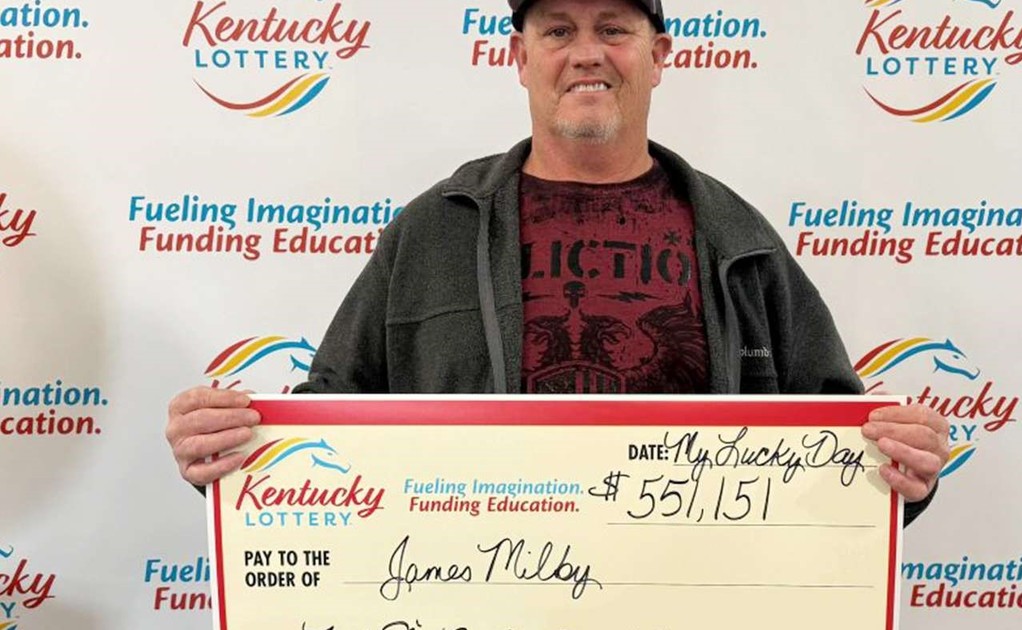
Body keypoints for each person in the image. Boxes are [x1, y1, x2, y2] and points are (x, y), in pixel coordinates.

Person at [166, 0, 949, 525]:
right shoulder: (431, 233)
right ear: (519, 55)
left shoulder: (740, 241)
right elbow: (329, 426)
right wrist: (233, 453)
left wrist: (903, 473)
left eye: (613, 28)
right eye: (558, 31)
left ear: (659, 54)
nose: (586, 54)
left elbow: (841, 448)